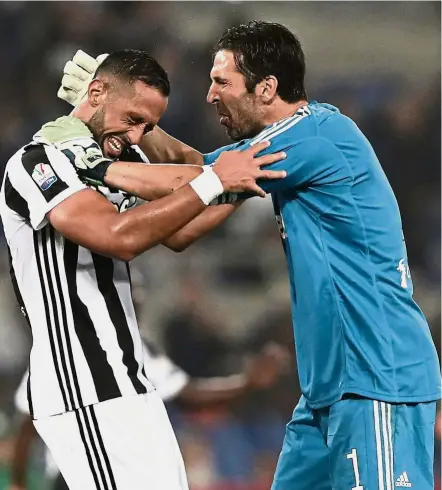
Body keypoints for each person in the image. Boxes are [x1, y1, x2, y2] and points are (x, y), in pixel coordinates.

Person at [60, 21, 441, 490]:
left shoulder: (317, 136)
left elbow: (196, 179)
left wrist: (93, 166)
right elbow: (191, 211)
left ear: (266, 89)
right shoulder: (284, 150)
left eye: (222, 82)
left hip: (377, 378)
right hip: (327, 393)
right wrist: (140, 125)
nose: (209, 95)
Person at [0, 48, 287, 490]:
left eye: (148, 127)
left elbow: (180, 229)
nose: (137, 136)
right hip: (83, 384)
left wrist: (247, 180)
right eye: (133, 119)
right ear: (95, 92)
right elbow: (117, 236)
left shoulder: (114, 168)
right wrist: (217, 180)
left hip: (127, 379)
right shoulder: (37, 161)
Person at [8, 340, 289, 490]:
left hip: (122, 471)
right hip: (79, 474)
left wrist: (247, 382)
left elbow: (190, 396)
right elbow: (29, 421)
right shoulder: (57, 350)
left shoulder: (132, 348)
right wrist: (18, 482)